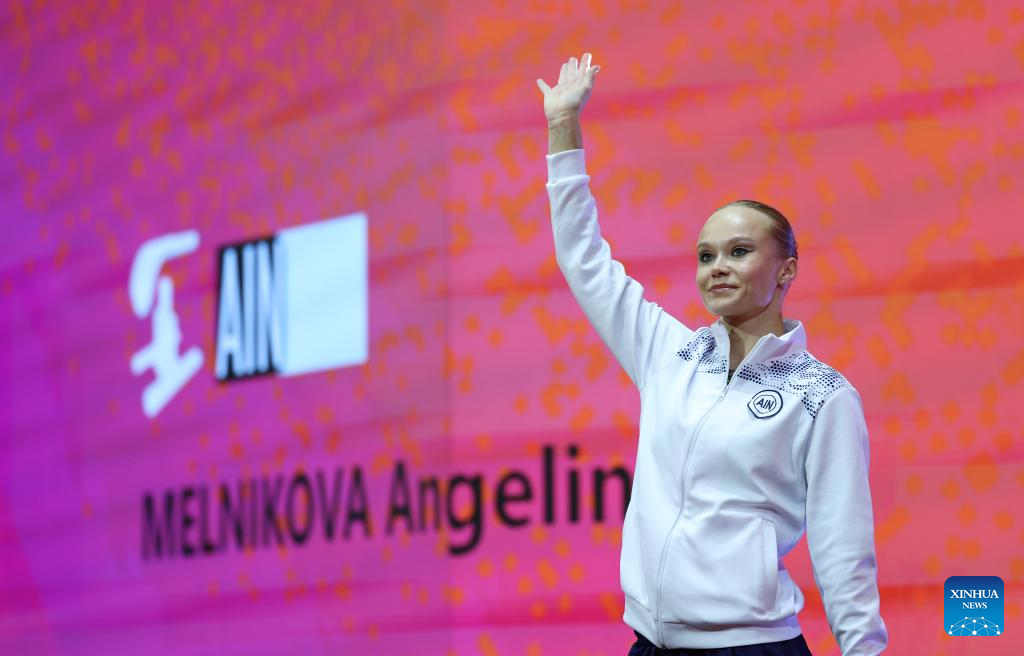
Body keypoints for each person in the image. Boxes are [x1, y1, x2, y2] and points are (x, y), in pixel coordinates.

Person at [536, 53, 888, 656]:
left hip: (753, 647)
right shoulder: (668, 353)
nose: (717, 267)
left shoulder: (823, 396)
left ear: (786, 270)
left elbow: (843, 554)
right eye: (706, 256)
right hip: (650, 644)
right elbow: (584, 259)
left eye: (739, 251)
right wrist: (563, 127)